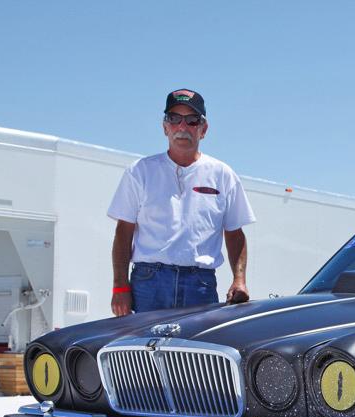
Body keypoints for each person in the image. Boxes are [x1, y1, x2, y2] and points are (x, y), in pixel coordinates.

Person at [108, 89, 256, 316]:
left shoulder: (223, 175)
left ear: (203, 129)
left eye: (192, 120)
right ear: (165, 127)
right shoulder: (139, 171)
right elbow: (123, 232)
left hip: (200, 285)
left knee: (199, 342)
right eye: (174, 118)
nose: (182, 126)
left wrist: (239, 280)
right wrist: (120, 287)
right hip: (149, 284)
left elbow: (235, 233)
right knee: (143, 341)